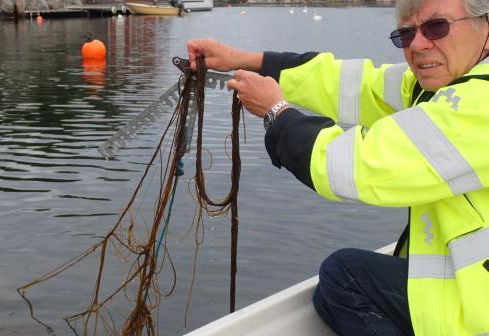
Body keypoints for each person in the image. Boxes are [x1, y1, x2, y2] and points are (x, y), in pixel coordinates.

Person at [186, 0, 489, 334]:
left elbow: (363, 166)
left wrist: (277, 113)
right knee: (331, 294)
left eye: (437, 27)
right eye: (406, 34)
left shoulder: (477, 105)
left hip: (476, 316)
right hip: (472, 295)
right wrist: (243, 60)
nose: (418, 45)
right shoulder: (443, 86)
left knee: (343, 277)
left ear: (485, 26)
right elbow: (351, 84)